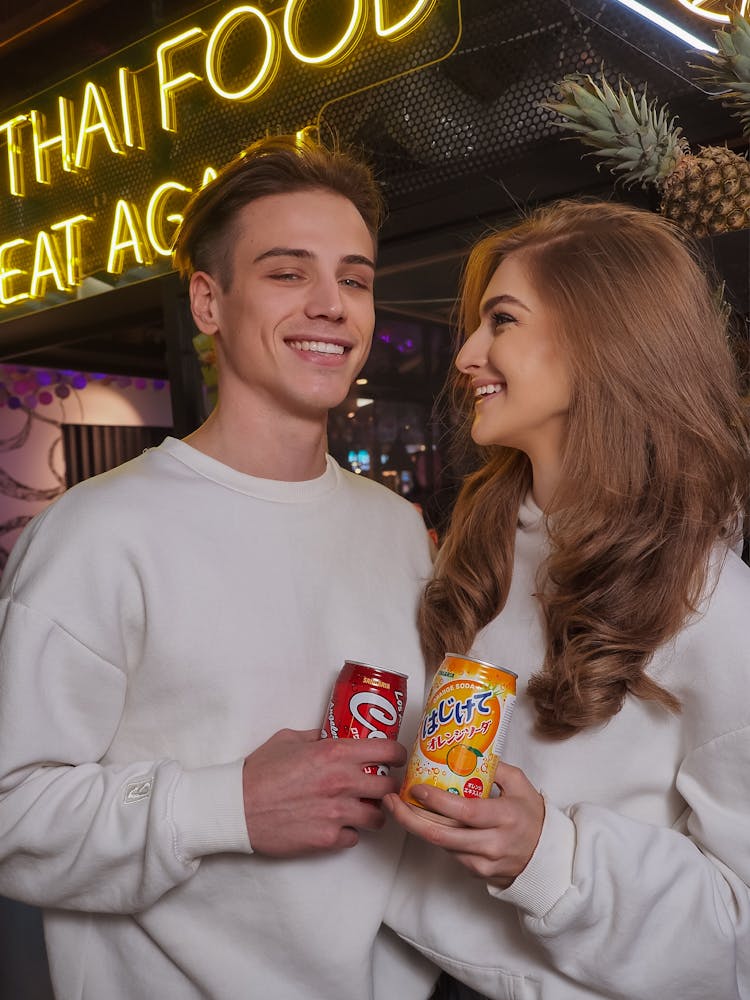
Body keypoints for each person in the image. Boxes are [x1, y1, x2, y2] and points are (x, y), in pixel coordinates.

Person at [0, 134, 441, 999]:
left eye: (353, 278)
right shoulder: (99, 532)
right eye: (287, 273)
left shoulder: (397, 530)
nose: (331, 305)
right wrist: (226, 805)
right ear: (208, 301)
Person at [383, 199, 750, 999]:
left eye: (501, 321)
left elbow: (739, 942)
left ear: (601, 344)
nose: (467, 355)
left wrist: (550, 855)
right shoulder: (481, 547)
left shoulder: (716, 608)